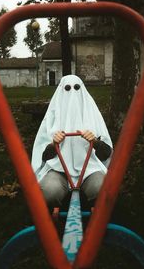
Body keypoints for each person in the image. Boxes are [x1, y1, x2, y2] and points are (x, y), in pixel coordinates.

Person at [31, 75, 113, 211]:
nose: (72, 94)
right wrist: (53, 145)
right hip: (58, 170)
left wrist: (95, 142)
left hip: (90, 169)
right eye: (67, 89)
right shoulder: (52, 118)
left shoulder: (93, 116)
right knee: (49, 192)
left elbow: (106, 154)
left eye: (77, 88)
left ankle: (97, 213)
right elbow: (43, 156)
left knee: (103, 189)